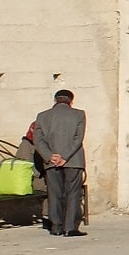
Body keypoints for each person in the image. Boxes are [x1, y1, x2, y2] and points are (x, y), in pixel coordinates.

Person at [32, 89, 86, 237]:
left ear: (55, 100)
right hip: (73, 160)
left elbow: (38, 140)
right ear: (71, 101)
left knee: (54, 193)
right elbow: (78, 139)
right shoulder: (79, 114)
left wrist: (50, 156)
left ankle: (56, 226)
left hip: (51, 162)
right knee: (73, 193)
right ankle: (70, 227)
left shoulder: (42, 116)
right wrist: (65, 157)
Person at [13, 121, 52, 232]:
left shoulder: (42, 144)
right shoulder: (26, 145)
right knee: (51, 188)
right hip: (30, 180)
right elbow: (24, 166)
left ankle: (52, 216)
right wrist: (40, 174)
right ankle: (47, 218)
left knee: (55, 184)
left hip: (40, 177)